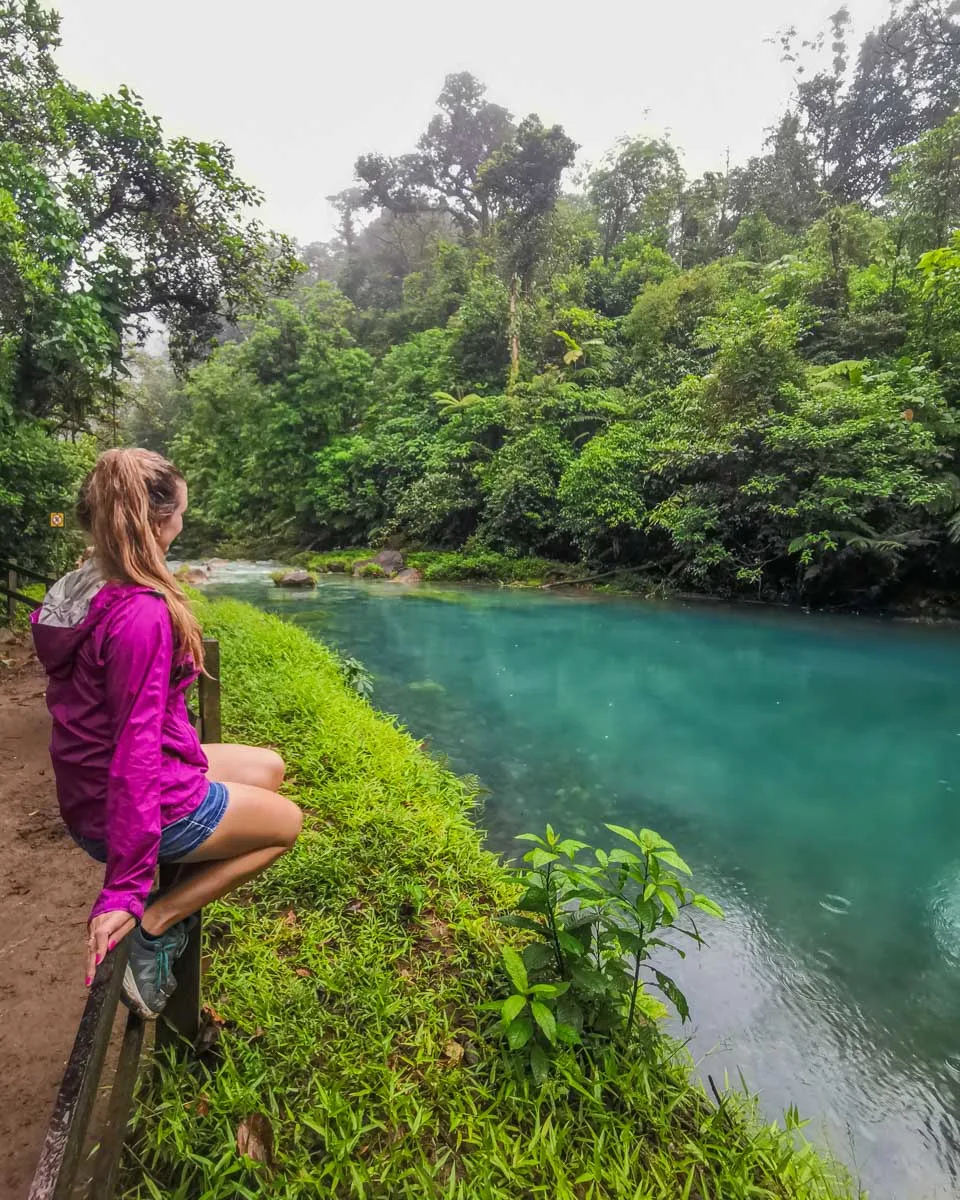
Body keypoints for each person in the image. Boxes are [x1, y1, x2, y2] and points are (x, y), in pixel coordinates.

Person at [31, 448, 302, 1018]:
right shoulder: (139, 613)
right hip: (120, 799)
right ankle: (156, 927)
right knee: (287, 824)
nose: (183, 522)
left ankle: (180, 868)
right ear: (157, 519)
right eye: (179, 512)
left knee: (269, 767)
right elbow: (133, 750)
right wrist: (125, 888)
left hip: (90, 783)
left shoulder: (83, 584)